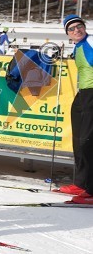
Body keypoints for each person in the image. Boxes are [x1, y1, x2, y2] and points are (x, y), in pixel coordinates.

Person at [58, 14, 93, 204]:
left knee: (88, 141)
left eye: (79, 26)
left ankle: (91, 189)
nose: (76, 30)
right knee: (79, 140)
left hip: (92, 93)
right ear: (68, 34)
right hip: (84, 93)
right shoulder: (78, 46)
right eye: (72, 29)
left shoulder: (91, 41)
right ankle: (81, 182)